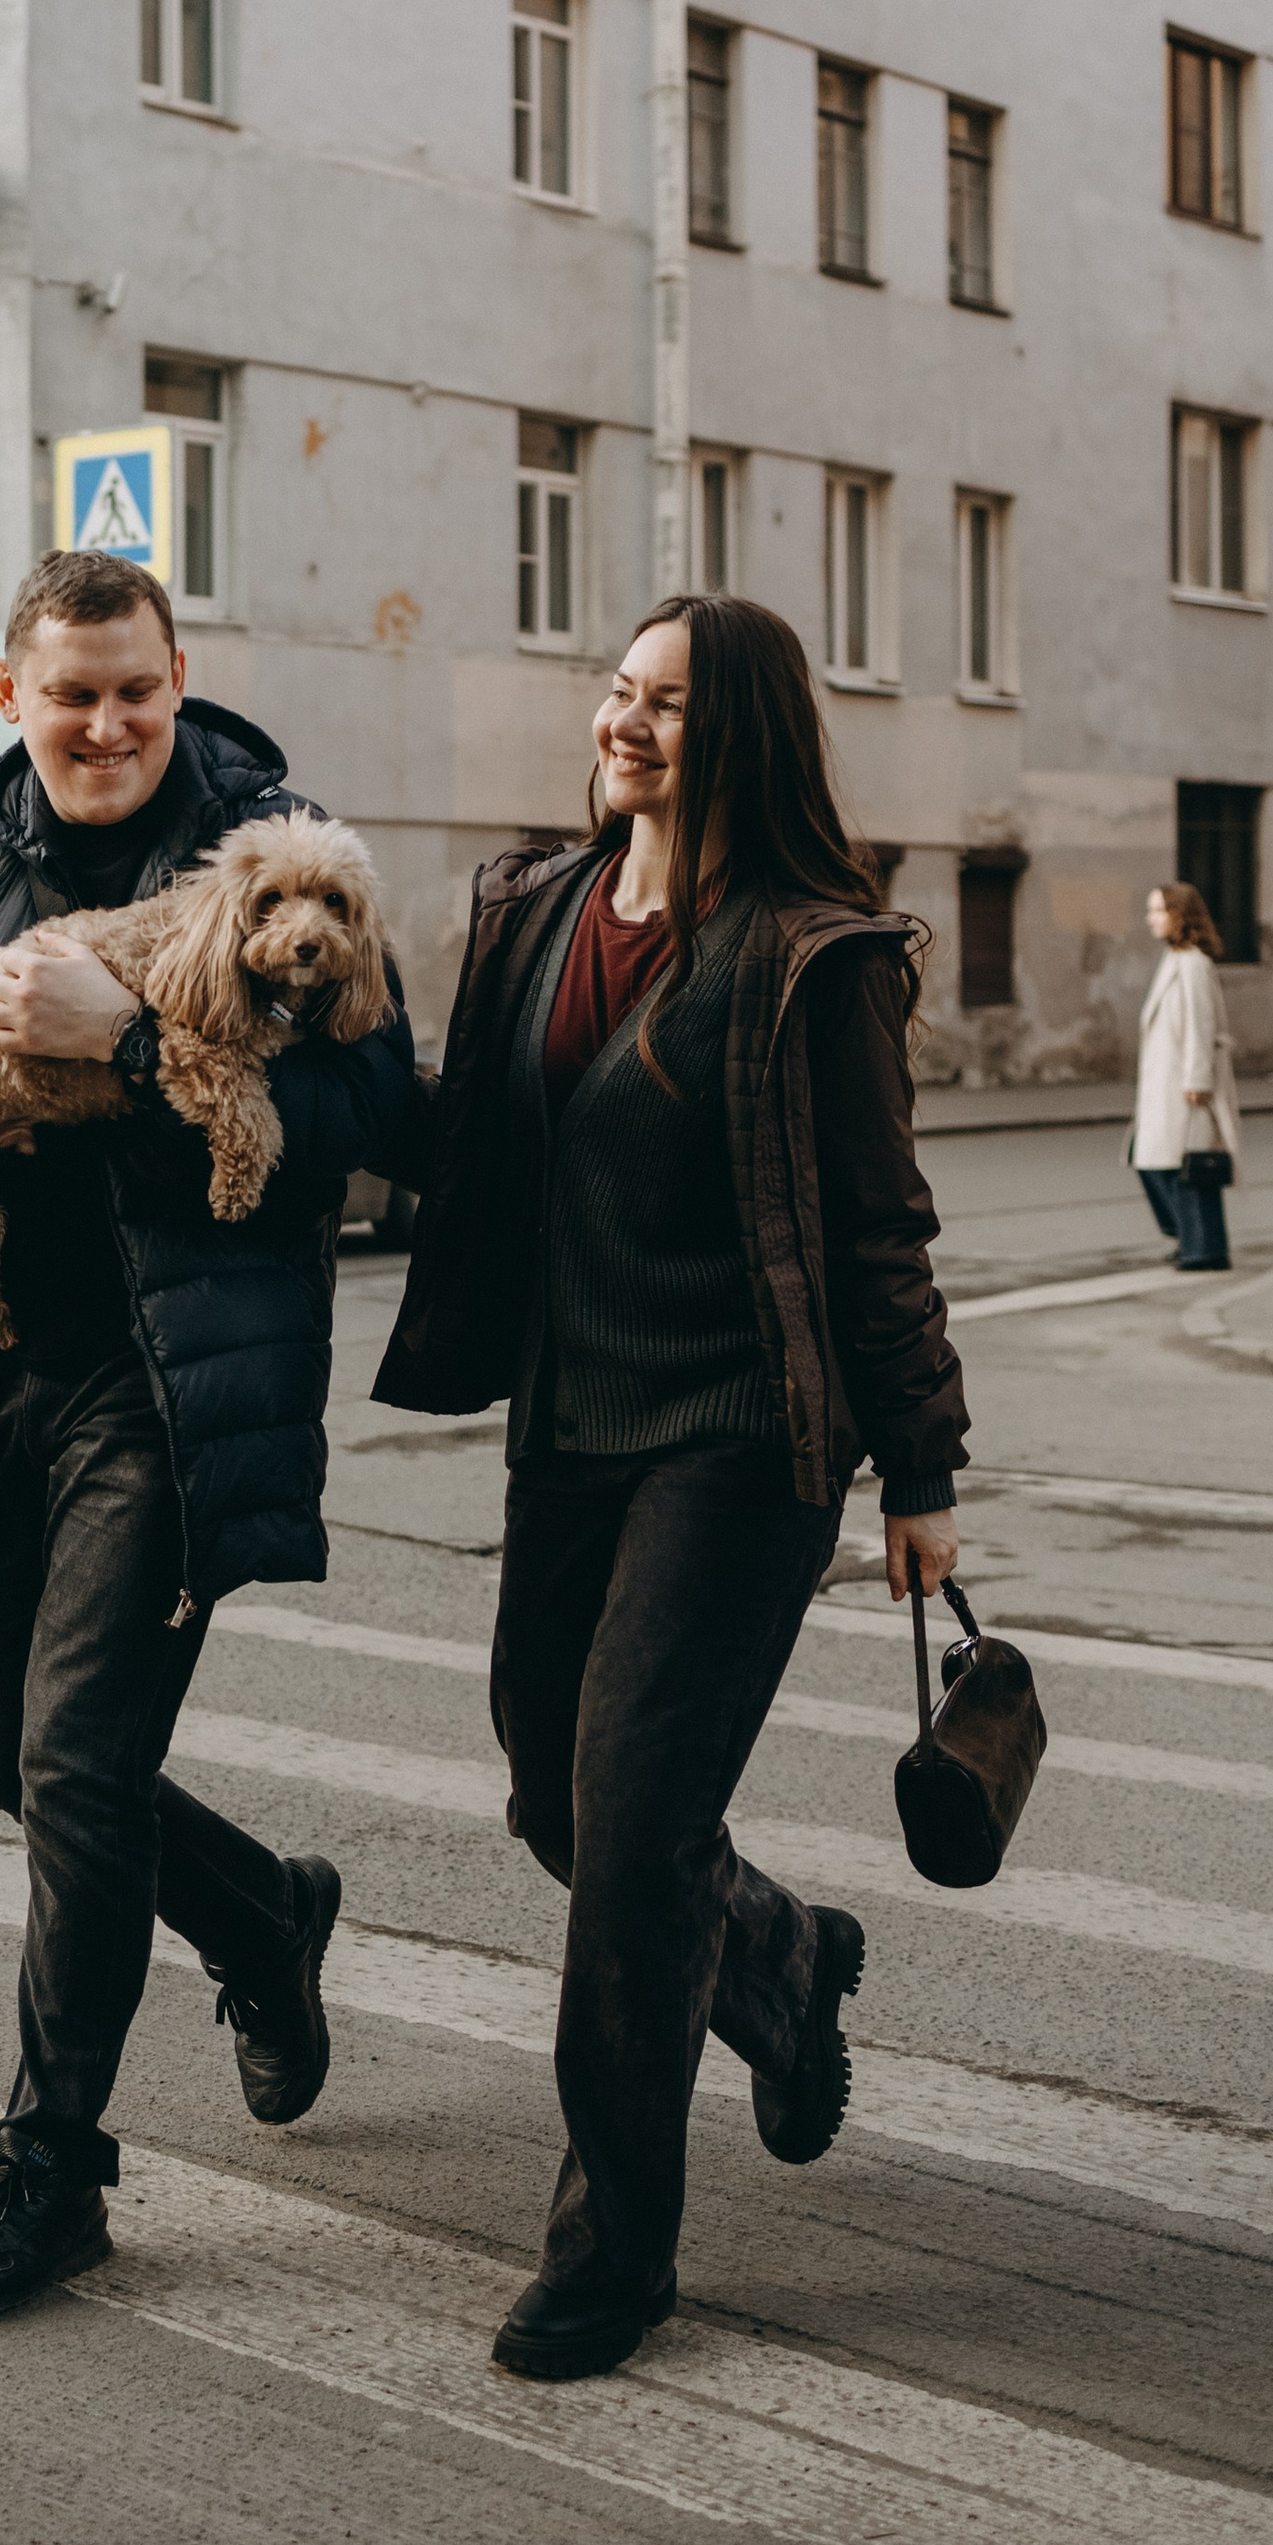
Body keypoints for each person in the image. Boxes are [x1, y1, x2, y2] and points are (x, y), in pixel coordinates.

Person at [373, 594, 968, 2384]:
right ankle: (782, 1964)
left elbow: (878, 1233)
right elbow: (461, 1134)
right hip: (569, 1420)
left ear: (751, 738)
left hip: (739, 1440)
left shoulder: (814, 955)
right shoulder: (533, 908)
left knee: (631, 1839)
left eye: (674, 705)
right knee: (557, 1800)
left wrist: (923, 1470)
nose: (627, 722)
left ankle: (612, 2253)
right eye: (620, 691)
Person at [0, 546, 415, 2322]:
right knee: (8, 1759)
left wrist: (144, 1035)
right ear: (11, 694)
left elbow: (391, 1111)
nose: (104, 723)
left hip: (167, 1390)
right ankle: (259, 1914)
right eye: (68, 692)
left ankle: (51, 2169)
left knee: (79, 1768)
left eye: (134, 690)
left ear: (180, 680)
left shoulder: (275, 844)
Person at [1131, 882, 1239, 1272]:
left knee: (1189, 1166)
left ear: (1180, 915)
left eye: (1158, 911)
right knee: (1158, 1163)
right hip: (1164, 1082)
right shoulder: (1175, 958)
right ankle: (1192, 1239)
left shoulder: (1193, 963)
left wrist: (1197, 1080)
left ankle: (1204, 1248)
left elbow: (1201, 1025)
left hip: (1183, 1084)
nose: (1151, 919)